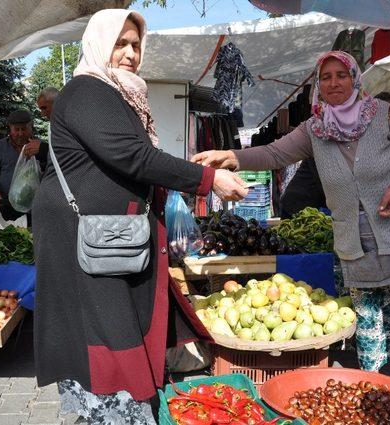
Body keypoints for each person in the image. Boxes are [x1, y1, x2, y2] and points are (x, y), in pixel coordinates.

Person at [32, 9, 247, 424]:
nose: (130, 53)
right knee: (105, 335)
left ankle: (117, 408)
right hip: (88, 243)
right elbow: (132, 157)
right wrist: (206, 180)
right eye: (120, 44)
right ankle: (116, 411)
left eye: (135, 45)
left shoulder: (120, 94)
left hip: (110, 242)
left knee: (115, 327)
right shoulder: (86, 90)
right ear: (99, 44)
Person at [193, 51, 390, 399]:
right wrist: (231, 157)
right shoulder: (315, 129)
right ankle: (373, 382)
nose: (334, 82)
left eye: (341, 75)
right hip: (354, 236)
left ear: (355, 78)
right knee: (366, 313)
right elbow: (275, 154)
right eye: (326, 77)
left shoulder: (383, 115)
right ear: (318, 86)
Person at [0, 109, 43, 222]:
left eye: (24, 129)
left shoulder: (40, 147)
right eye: (16, 129)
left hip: (36, 207)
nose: (20, 133)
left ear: (31, 127)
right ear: (10, 129)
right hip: (6, 205)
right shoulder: (0, 148)